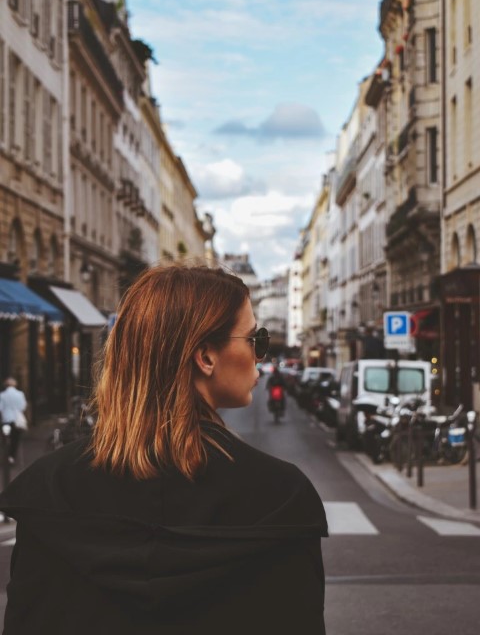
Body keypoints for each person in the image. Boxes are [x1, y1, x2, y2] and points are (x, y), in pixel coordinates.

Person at [0, 264, 328, 635]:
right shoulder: (280, 496)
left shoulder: (48, 490)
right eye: (256, 340)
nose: (260, 355)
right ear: (205, 357)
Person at [0, 378, 27, 465]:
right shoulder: (20, 394)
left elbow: (0, 408)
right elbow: (23, 407)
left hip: (6, 420)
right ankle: (12, 456)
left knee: (6, 438)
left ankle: (6, 455)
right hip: (16, 421)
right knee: (15, 439)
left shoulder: (2, 395)